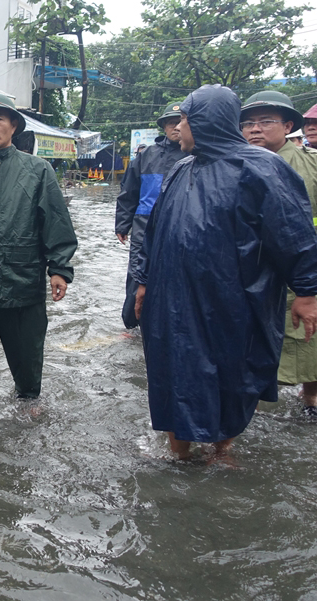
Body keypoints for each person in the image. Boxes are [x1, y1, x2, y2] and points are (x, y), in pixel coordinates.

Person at [134, 85, 317, 460]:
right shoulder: (181, 168)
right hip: (172, 299)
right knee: (172, 371)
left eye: (184, 119)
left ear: (205, 121)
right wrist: (143, 282)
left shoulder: (260, 167)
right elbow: (155, 231)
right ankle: (179, 454)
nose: (178, 128)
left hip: (234, 300)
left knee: (232, 373)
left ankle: (222, 449)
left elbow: (293, 232)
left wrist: (307, 291)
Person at [0, 93, 78, 425]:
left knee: (26, 353)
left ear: (13, 126)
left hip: (22, 283)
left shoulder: (38, 172)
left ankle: (28, 401)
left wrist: (59, 269)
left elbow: (56, 222)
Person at [241, 90, 317, 419]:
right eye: (248, 124)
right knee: (255, 341)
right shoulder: (238, 163)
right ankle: (251, 409)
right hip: (256, 271)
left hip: (301, 272)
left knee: (307, 340)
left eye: (266, 122)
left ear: (287, 126)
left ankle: (310, 400)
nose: (255, 130)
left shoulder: (307, 164)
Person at [114, 103, 186, 329]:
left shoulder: (193, 153)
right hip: (144, 225)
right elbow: (129, 192)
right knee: (137, 274)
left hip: (180, 226)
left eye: (180, 122)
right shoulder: (147, 156)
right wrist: (123, 224)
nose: (176, 127)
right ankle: (131, 323)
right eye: (171, 123)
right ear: (164, 126)